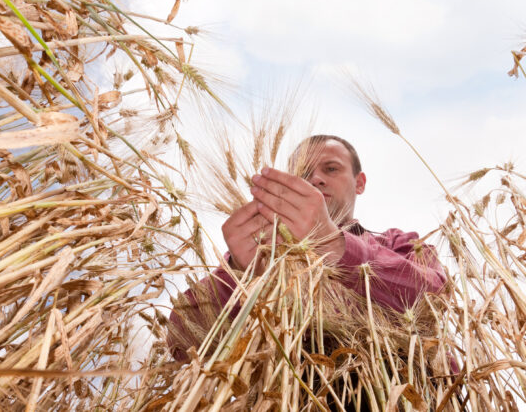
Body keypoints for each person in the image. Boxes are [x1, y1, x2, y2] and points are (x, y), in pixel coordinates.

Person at [167, 135, 448, 363]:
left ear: (359, 183)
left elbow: (435, 299)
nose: (315, 179)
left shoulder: (397, 244)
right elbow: (182, 341)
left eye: (331, 169)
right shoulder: (266, 254)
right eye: (304, 172)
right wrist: (243, 276)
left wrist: (333, 245)